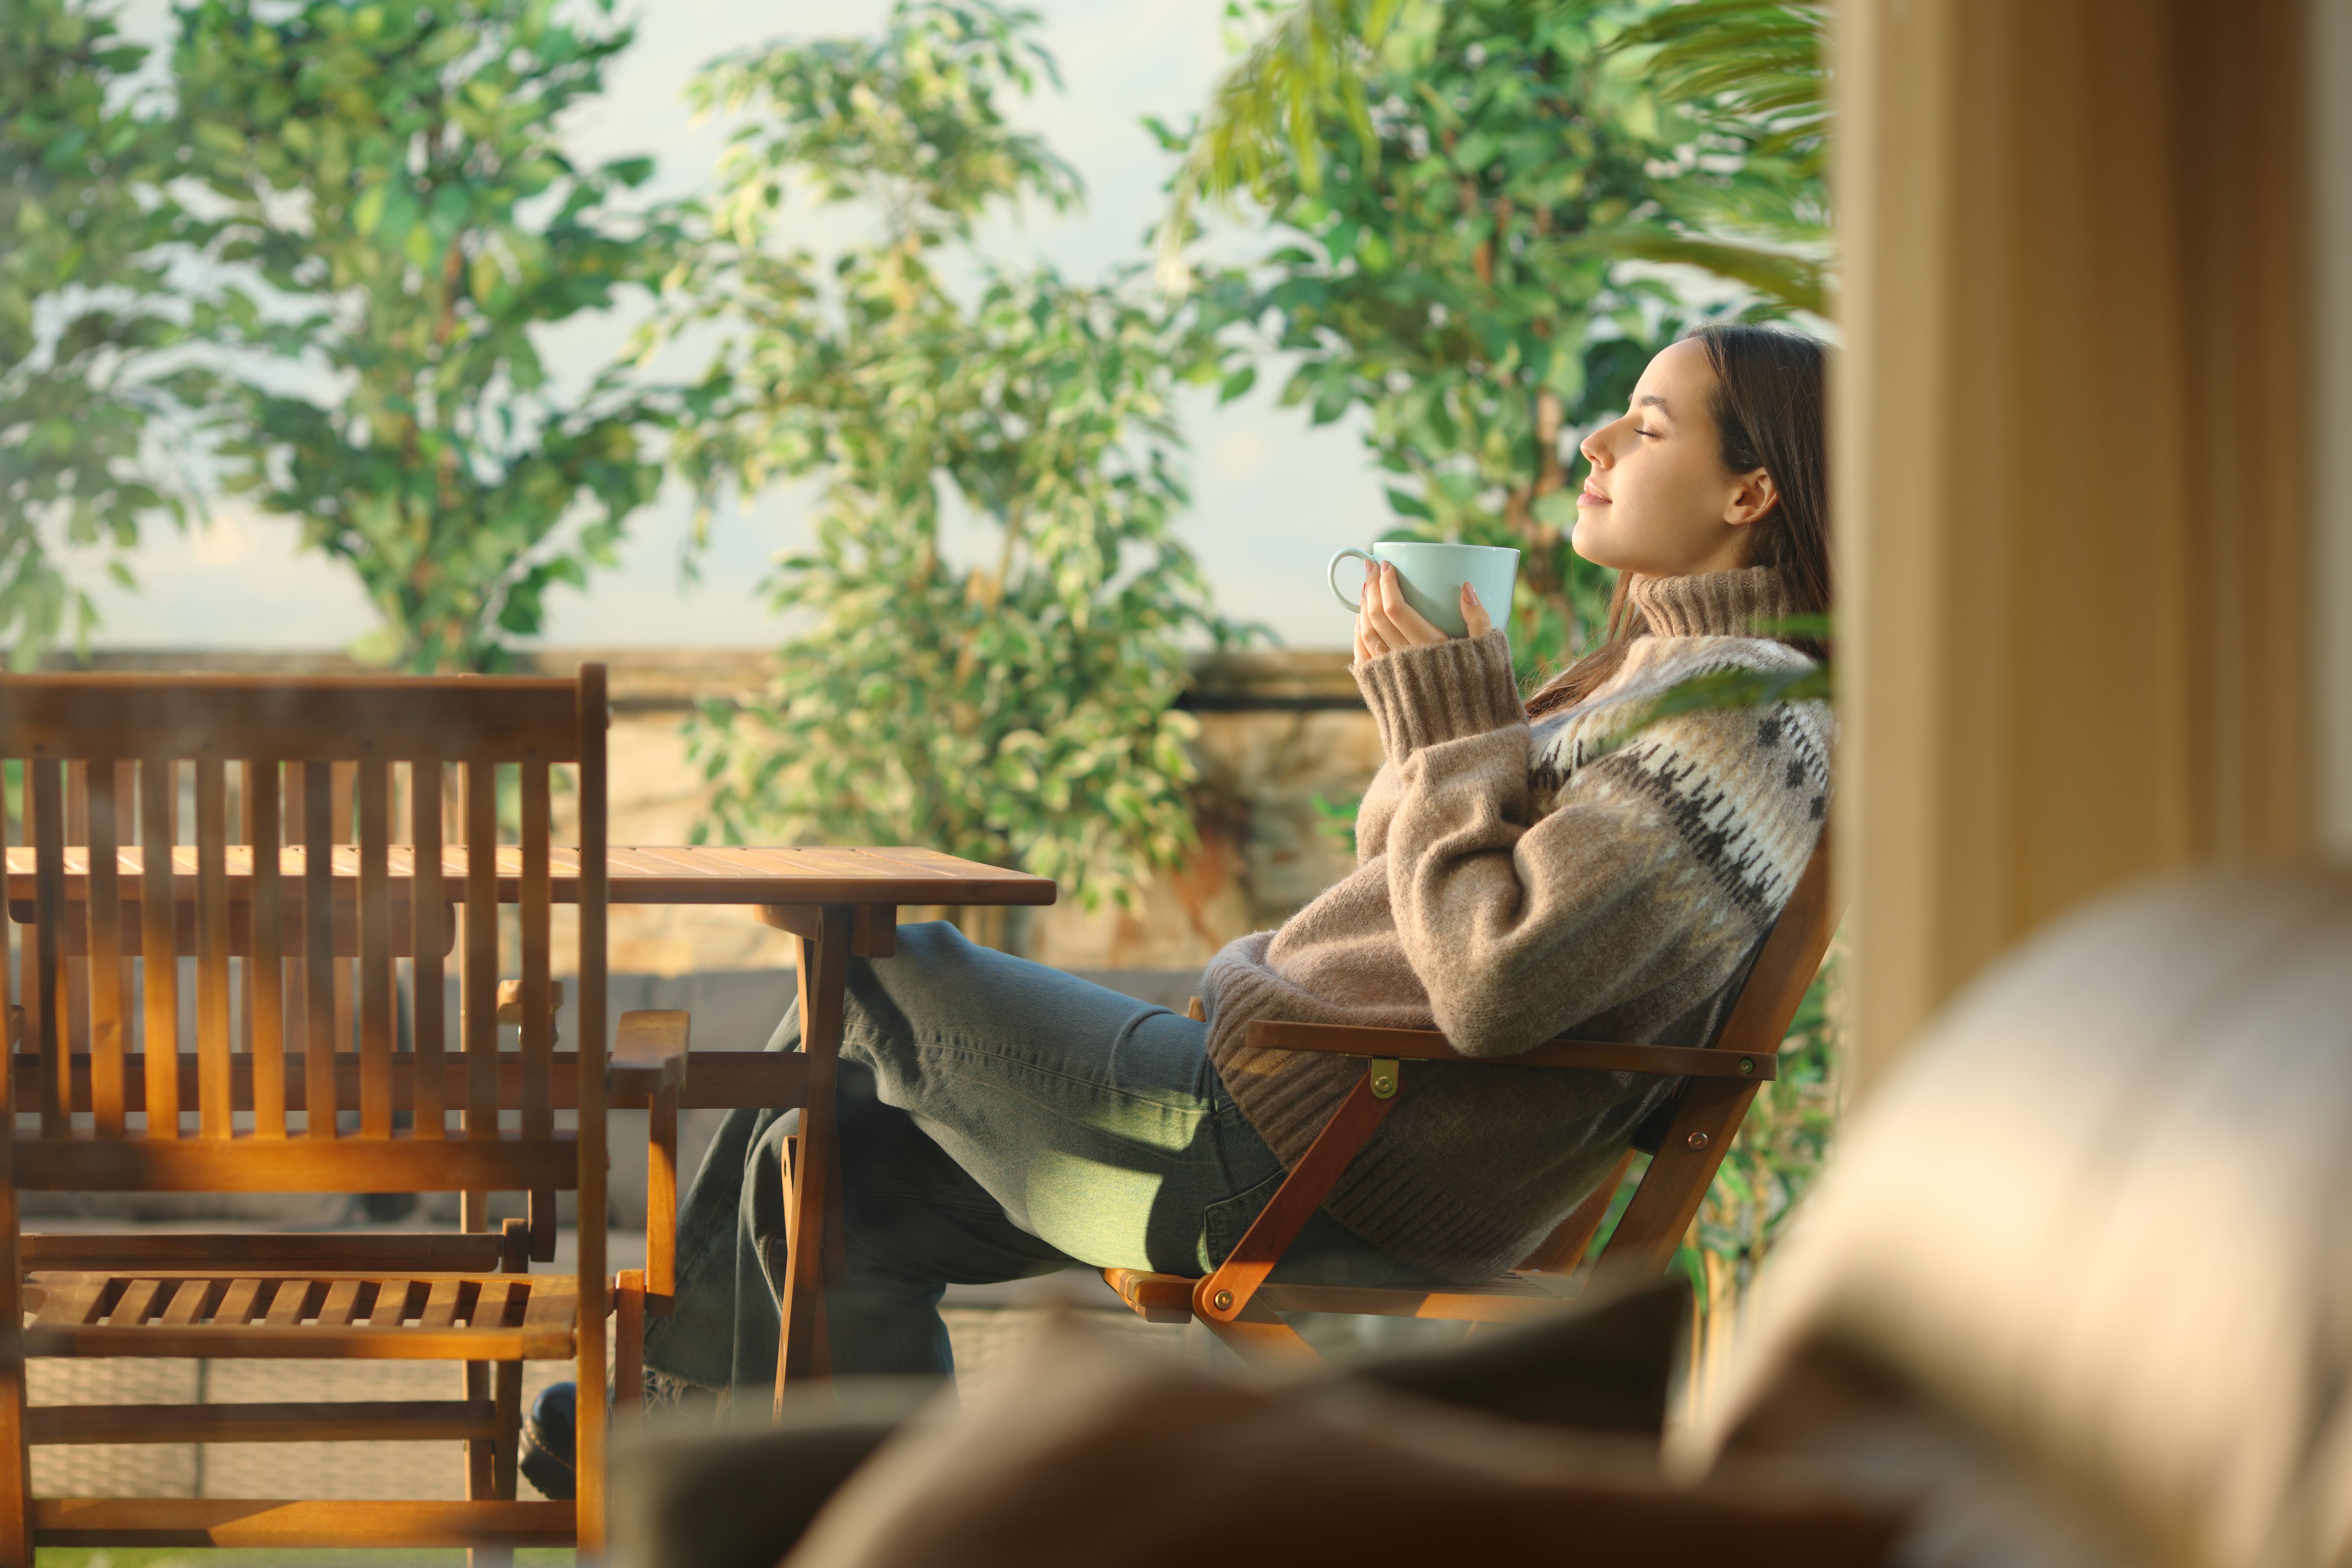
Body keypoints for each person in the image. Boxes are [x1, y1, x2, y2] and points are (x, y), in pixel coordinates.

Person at [522, 323, 1835, 1498]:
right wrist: (1433, 730)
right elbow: (1419, 882)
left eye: (1649, 426)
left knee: (872, 974)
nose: (1599, 440)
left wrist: (1450, 733)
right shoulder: (1658, 685)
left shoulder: (1732, 719)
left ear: (1751, 490)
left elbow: (1492, 983)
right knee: (835, 1168)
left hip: (1311, 1151)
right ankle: (825, 1505)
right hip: (1314, 1113)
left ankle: (661, 1427)